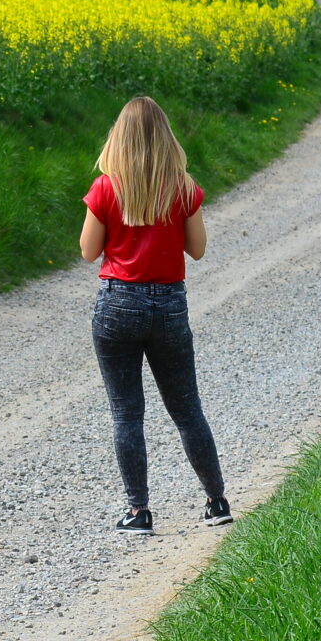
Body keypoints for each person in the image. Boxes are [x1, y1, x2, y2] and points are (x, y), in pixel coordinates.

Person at [80, 95, 231, 535]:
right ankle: (216, 501)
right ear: (166, 137)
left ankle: (139, 511)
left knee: (127, 414)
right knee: (187, 410)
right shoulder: (183, 188)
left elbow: (89, 252)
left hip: (117, 304)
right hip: (168, 305)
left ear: (118, 138)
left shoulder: (106, 189)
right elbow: (198, 250)